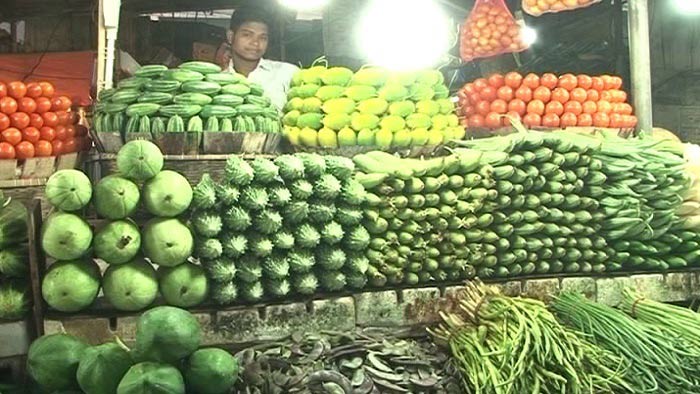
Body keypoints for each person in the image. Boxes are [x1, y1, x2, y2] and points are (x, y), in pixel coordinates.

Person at [221, 6, 299, 112]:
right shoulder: (218, 82)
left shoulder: (288, 73)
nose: (255, 43)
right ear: (230, 36)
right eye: (247, 35)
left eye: (263, 37)